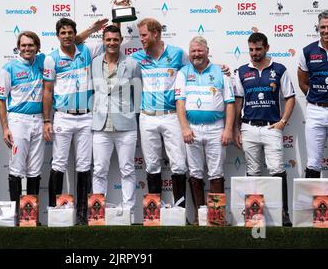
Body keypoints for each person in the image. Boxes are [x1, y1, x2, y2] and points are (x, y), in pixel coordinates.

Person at [43, 18, 103, 225]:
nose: (67, 36)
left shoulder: (86, 51)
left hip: (86, 116)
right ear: (57, 35)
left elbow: (112, 39)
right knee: (58, 163)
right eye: (63, 33)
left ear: (75, 35)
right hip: (62, 116)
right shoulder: (51, 59)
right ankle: (55, 211)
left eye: (70, 32)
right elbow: (48, 91)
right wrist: (46, 120)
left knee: (84, 165)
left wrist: (96, 28)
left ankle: (82, 214)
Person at [233, 32, 295, 227]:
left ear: (267, 47)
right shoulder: (242, 71)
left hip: (271, 127)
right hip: (248, 128)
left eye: (258, 49)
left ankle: (283, 213)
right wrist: (236, 128)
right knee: (253, 172)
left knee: (277, 170)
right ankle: (254, 214)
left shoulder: (279, 69)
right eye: (251, 49)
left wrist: (283, 121)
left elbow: (290, 97)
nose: (254, 53)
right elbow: (237, 101)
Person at [175, 36, 235, 224]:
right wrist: (184, 127)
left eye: (200, 50)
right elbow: (180, 102)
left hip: (216, 129)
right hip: (191, 129)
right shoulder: (183, 73)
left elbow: (230, 103)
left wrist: (228, 129)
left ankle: (216, 217)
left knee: (216, 173)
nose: (196, 54)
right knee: (195, 173)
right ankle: (200, 216)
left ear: (207, 51)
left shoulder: (221, 72)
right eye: (193, 51)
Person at [130, 18, 188, 208]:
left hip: (172, 116)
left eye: (144, 35)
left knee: (178, 164)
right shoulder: (137, 57)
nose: (142, 39)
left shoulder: (178, 53)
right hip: (147, 117)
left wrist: (220, 69)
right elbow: (113, 57)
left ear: (155, 33)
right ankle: (154, 214)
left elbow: (196, 69)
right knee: (152, 165)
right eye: (140, 36)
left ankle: (179, 211)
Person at [90, 25, 141, 216]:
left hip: (126, 126)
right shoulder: (94, 63)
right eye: (108, 39)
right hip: (101, 125)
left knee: (127, 170)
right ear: (103, 41)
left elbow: (138, 94)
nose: (112, 43)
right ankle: (97, 211)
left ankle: (129, 210)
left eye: (115, 39)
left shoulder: (132, 64)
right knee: (99, 170)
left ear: (120, 41)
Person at [0, 31, 45, 215]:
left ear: (37, 47)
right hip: (18, 121)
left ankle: (30, 216)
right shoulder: (9, 68)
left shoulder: (43, 62)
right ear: (18, 47)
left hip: (39, 119)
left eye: (31, 45)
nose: (27, 48)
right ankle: (16, 215)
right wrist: (5, 128)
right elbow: (1, 100)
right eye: (23, 45)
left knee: (34, 169)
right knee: (17, 167)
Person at [297, 9, 328, 178]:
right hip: (315, 111)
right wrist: (317, 97)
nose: (326, 30)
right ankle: (312, 204)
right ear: (318, 28)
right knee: (313, 161)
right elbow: (303, 82)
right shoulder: (307, 51)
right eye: (323, 27)